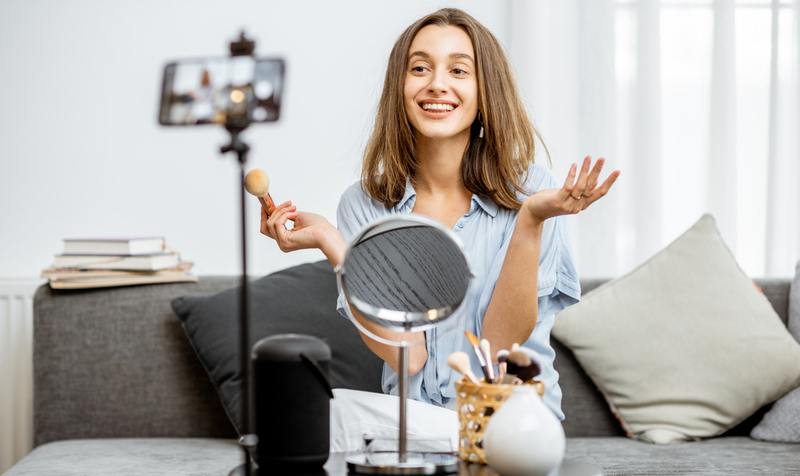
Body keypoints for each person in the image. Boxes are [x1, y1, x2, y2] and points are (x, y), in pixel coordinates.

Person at [260, 8, 619, 452]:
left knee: (331, 422)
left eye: (458, 70)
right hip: (414, 431)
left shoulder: (536, 192)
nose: (436, 84)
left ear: (485, 89)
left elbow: (497, 346)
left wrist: (530, 220)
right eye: (420, 68)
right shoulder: (364, 205)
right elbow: (409, 358)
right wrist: (335, 245)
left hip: (512, 427)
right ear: (401, 87)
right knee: (324, 417)